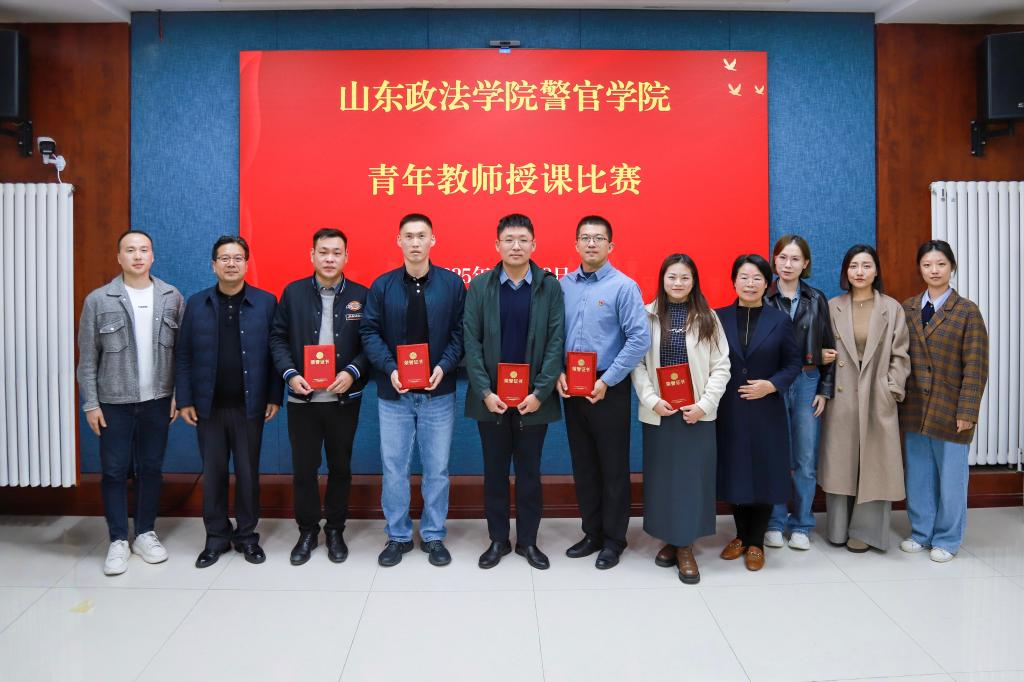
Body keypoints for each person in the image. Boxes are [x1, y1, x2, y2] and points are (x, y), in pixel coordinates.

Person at [360, 213, 466, 568]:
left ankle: (434, 535)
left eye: (422, 236)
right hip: (394, 394)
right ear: (399, 241)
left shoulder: (452, 285)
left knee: (437, 468)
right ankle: (398, 535)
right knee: (394, 467)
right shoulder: (382, 286)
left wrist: (443, 366)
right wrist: (390, 368)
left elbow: (461, 333)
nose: (416, 242)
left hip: (439, 391)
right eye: (409, 236)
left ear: (433, 240)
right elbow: (369, 332)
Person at [77, 229, 184, 576]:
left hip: (158, 401)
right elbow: (87, 359)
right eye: (130, 250)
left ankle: (146, 533)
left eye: (144, 250)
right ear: (119, 257)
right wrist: (91, 404)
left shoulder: (171, 296)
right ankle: (118, 539)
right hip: (113, 402)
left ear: (152, 256)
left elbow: (182, 354)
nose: (137, 256)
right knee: (113, 470)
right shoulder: (99, 300)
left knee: (151, 468)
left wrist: (177, 396)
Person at [463, 213, 565, 570]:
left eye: (523, 240)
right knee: (494, 473)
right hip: (490, 400)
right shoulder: (480, 286)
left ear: (534, 245)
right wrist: (484, 391)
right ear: (497, 245)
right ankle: (497, 540)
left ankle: (528, 542)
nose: (516, 246)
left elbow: (556, 341)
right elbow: (471, 343)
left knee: (529, 474)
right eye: (509, 240)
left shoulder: (549, 286)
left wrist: (540, 392)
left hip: (534, 401)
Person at [175, 235, 283, 569]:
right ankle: (216, 537)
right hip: (208, 407)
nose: (231, 264)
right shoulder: (197, 304)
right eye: (224, 258)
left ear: (247, 264)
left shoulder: (266, 303)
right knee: (214, 474)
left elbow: (277, 352)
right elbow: (183, 355)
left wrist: (274, 396)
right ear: (213, 265)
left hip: (250, 405)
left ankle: (247, 536)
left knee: (248, 474)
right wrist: (185, 399)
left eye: (238, 258)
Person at [269, 228, 369, 566]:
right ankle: (308, 531)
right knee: (304, 469)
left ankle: (336, 530)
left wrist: (352, 371)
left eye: (336, 253)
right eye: (323, 252)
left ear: (346, 257)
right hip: (304, 400)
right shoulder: (293, 293)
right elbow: (277, 338)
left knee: (341, 468)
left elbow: (371, 342)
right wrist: (290, 374)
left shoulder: (361, 295)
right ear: (311, 255)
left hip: (344, 400)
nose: (329, 259)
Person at [557, 215, 649, 570]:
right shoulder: (563, 285)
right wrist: (558, 373)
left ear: (611, 245)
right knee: (583, 465)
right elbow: (554, 335)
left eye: (598, 238)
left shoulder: (623, 286)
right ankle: (592, 533)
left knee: (613, 467)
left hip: (608, 386)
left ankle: (614, 540)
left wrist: (607, 380)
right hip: (573, 386)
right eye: (585, 237)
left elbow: (639, 338)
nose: (591, 243)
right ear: (576, 244)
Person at [632, 254, 730, 584]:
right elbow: (637, 364)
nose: (678, 283)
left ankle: (685, 545)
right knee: (663, 480)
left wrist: (704, 404)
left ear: (694, 281)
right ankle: (671, 539)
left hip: (696, 414)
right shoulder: (646, 315)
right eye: (672, 277)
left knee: (691, 480)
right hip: (660, 412)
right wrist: (652, 399)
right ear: (662, 279)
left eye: (684, 277)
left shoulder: (708, 318)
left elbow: (722, 366)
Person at [899, 240, 988, 563]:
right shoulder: (908, 308)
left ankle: (948, 539)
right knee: (918, 475)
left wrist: (968, 411)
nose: (934, 270)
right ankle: (921, 532)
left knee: (951, 478)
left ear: (952, 267)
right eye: (927, 265)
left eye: (940, 264)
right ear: (920, 269)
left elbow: (976, 366)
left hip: (950, 409)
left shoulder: (967, 311)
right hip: (914, 407)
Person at [819, 244, 910, 552]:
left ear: (876, 271)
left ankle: (867, 532)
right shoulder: (832, 306)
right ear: (846, 271)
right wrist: (820, 355)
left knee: (875, 463)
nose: (860, 272)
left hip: (876, 392)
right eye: (854, 266)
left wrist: (891, 388)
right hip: (842, 394)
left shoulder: (891, 308)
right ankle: (838, 529)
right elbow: (818, 345)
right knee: (842, 463)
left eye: (866, 265)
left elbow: (900, 355)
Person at [715, 254, 801, 571]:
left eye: (757, 278)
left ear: (767, 284)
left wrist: (772, 385)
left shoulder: (779, 320)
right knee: (735, 469)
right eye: (744, 277)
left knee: (764, 471)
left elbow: (793, 363)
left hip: (766, 407)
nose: (750, 284)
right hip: (730, 406)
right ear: (734, 281)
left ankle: (756, 542)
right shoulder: (718, 318)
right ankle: (740, 536)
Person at [763, 235, 837, 551]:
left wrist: (824, 389)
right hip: (774, 383)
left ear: (805, 263)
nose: (788, 264)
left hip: (807, 381)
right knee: (776, 454)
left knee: (805, 457)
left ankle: (803, 524)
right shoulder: (764, 297)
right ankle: (775, 521)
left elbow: (830, 348)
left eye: (795, 259)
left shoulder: (816, 299)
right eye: (782, 258)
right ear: (774, 260)